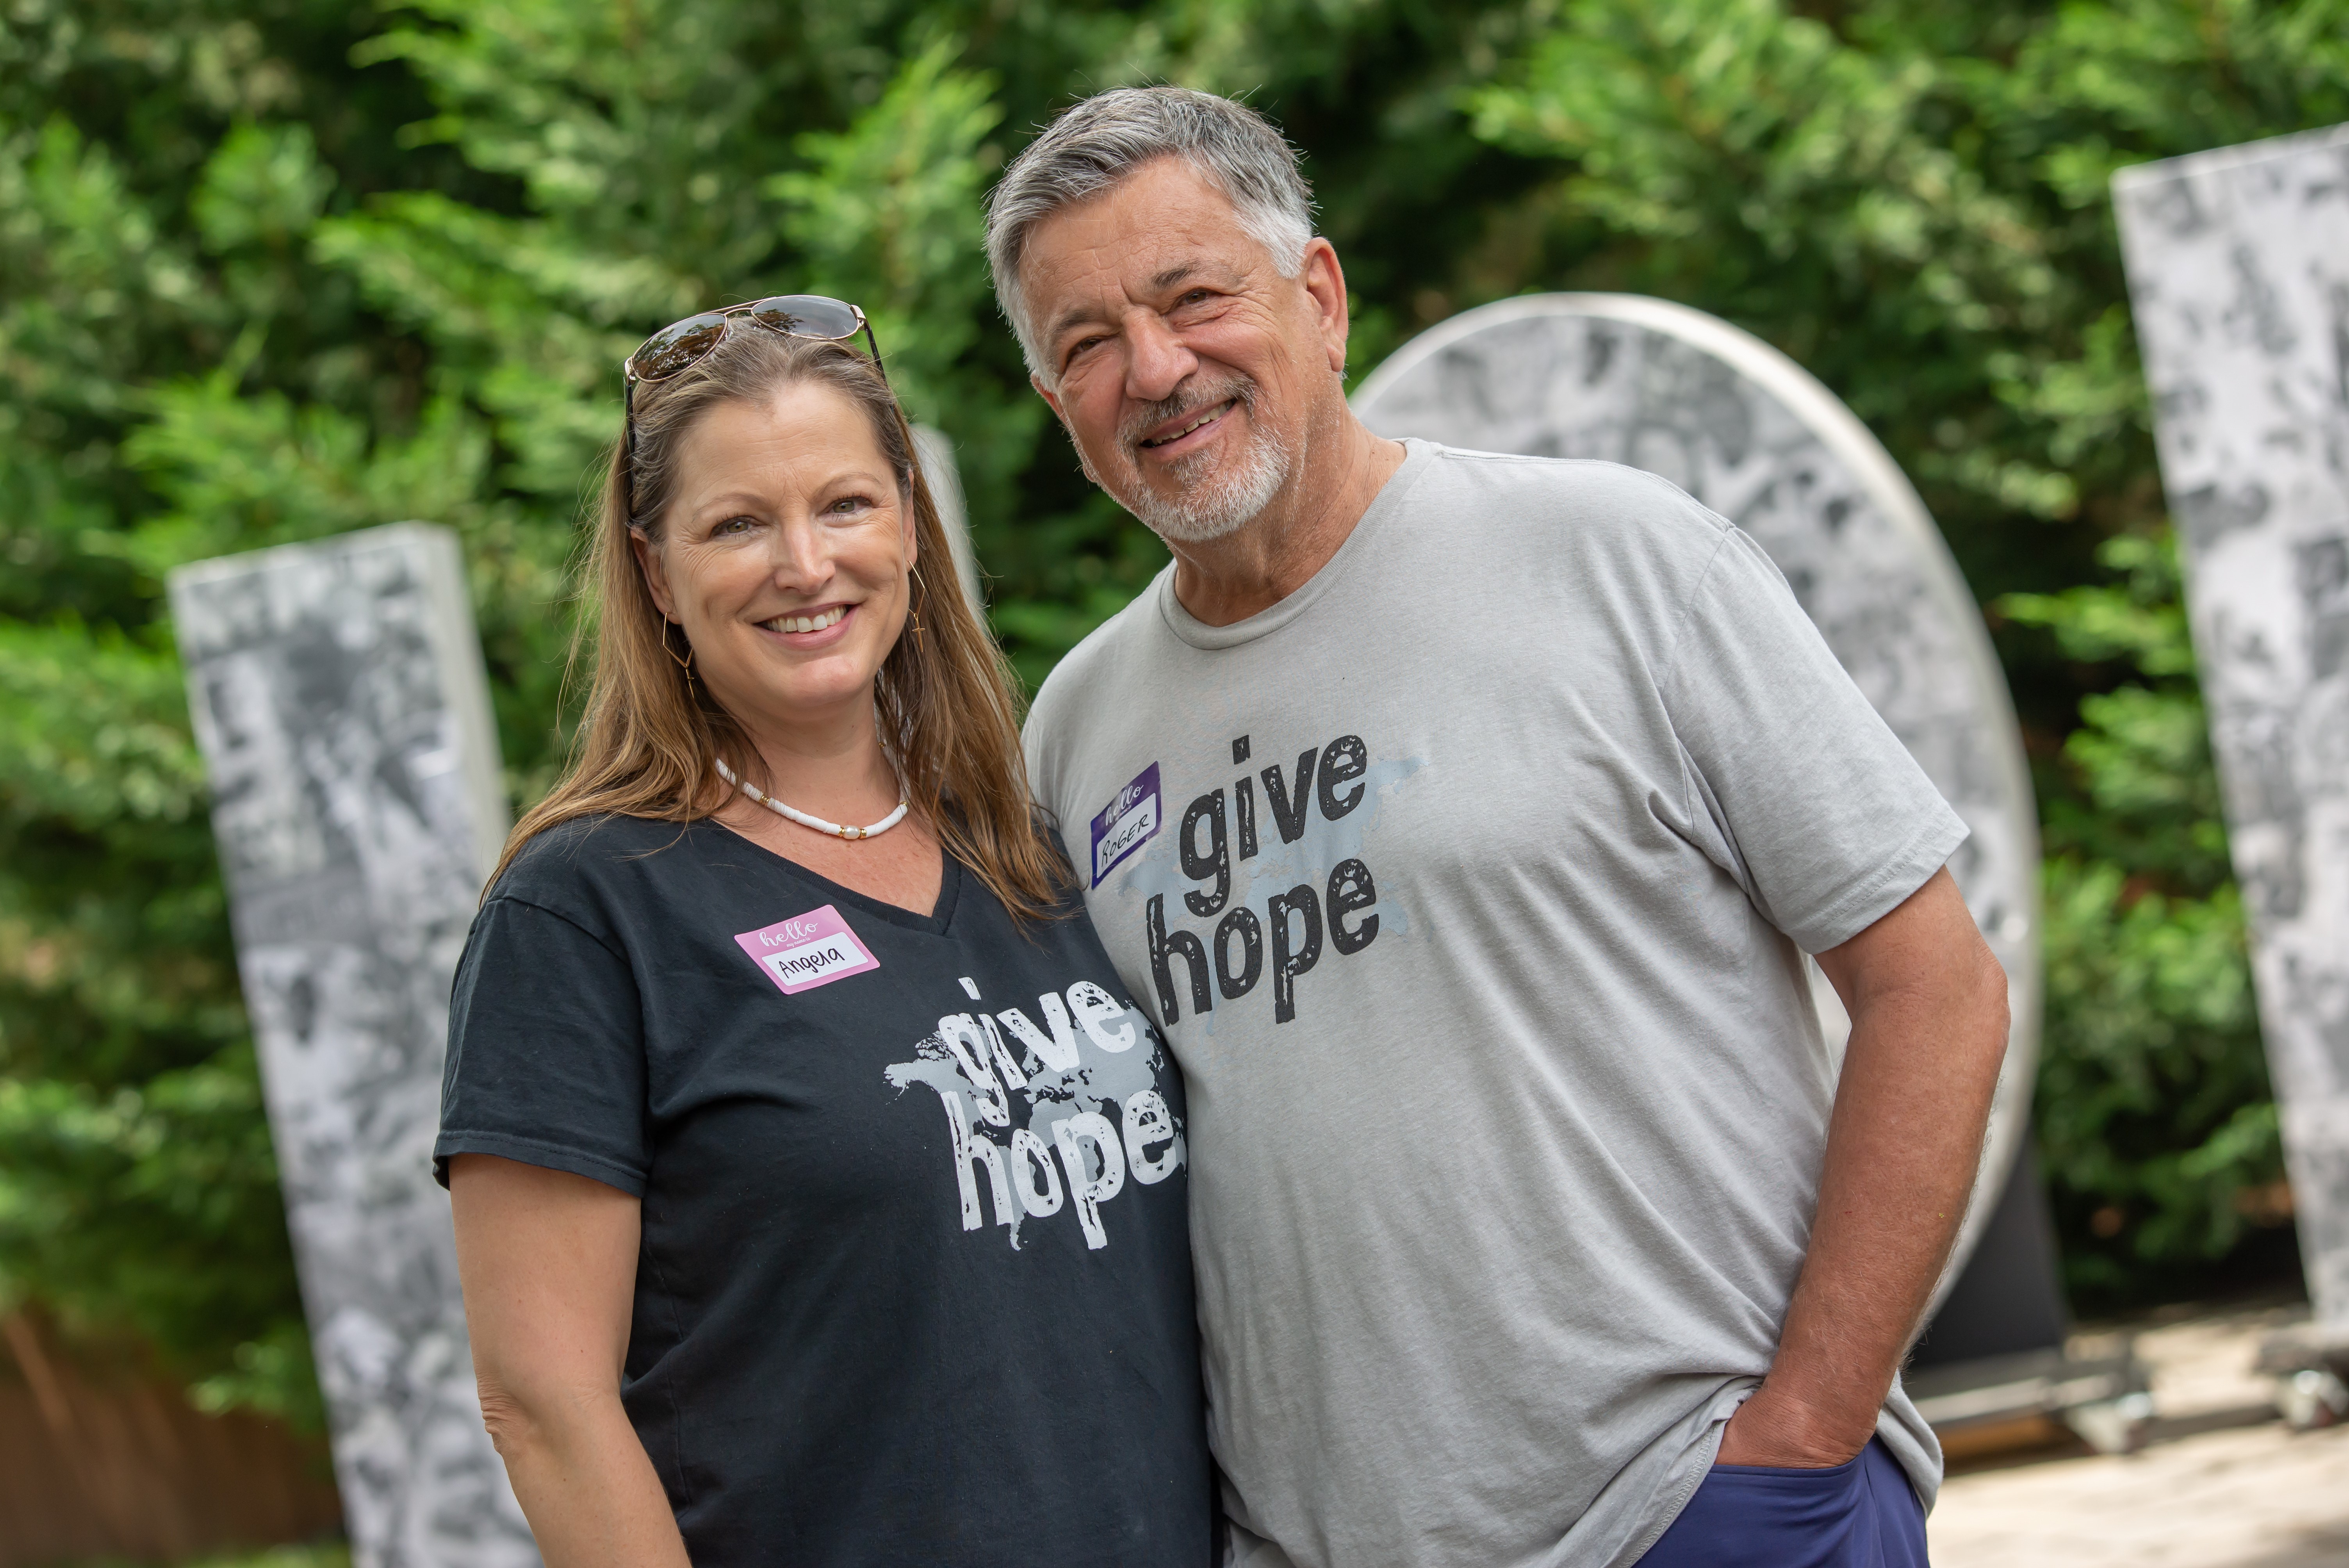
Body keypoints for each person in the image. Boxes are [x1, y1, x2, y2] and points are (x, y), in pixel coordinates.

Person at [993, 87, 2012, 1568]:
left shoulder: (1616, 557)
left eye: (1194, 296)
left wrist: (1804, 1435)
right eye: (1087, 344)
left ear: (1321, 298)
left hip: (1702, 1512)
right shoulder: (1077, 732)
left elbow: (1936, 986)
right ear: (1057, 404)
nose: (1156, 368)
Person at [433, 298, 1214, 1566]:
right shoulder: (584, 909)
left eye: (844, 505)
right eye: (738, 524)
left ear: (908, 524)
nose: (805, 565)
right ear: (655, 574)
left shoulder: (1025, 847)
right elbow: (542, 1406)